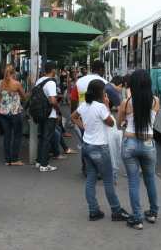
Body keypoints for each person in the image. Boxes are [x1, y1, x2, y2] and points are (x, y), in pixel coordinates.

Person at [71, 80, 130, 222]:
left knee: (91, 179)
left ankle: (93, 210)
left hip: (87, 146)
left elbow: (73, 117)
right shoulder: (100, 107)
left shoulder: (84, 106)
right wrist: (106, 105)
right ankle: (116, 210)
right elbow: (111, 123)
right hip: (100, 148)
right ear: (100, 92)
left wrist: (84, 127)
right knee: (108, 181)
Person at [118, 69, 160, 230]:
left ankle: (137, 219)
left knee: (133, 182)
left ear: (132, 84)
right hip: (148, 144)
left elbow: (118, 123)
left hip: (130, 143)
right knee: (150, 180)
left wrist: (124, 122)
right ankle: (153, 213)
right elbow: (152, 121)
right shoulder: (156, 101)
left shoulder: (126, 102)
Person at [34, 61, 60, 172]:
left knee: (42, 138)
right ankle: (44, 165)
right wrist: (58, 111)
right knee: (47, 138)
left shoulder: (39, 80)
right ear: (53, 70)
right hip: (50, 114)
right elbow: (53, 100)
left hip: (40, 113)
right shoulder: (51, 83)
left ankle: (39, 161)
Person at [0, 64, 27, 166]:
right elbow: (24, 97)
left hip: (3, 112)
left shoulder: (0, 83)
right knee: (17, 136)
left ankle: (7, 159)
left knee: (7, 136)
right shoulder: (17, 84)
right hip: (15, 112)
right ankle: (14, 159)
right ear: (14, 72)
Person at [105, 76, 125, 183]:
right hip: (108, 122)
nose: (121, 90)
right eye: (122, 88)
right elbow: (120, 111)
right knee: (114, 148)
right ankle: (113, 174)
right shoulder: (113, 92)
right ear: (120, 85)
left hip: (100, 120)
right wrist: (121, 124)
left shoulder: (106, 87)